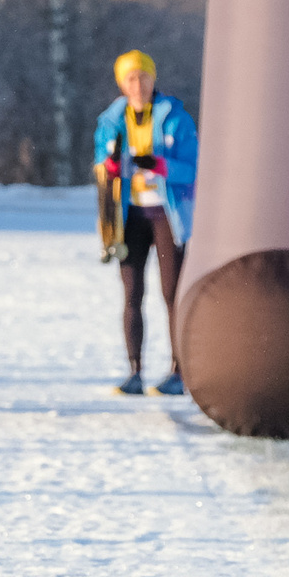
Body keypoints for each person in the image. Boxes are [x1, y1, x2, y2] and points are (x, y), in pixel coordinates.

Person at [92, 49, 198, 397]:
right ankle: (134, 372)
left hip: (168, 215)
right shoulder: (111, 121)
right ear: (121, 84)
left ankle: (179, 373)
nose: (138, 86)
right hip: (129, 215)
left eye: (144, 78)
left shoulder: (176, 118)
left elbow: (196, 168)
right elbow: (100, 162)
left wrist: (161, 166)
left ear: (154, 80)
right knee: (132, 293)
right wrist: (108, 168)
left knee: (172, 295)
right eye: (130, 79)